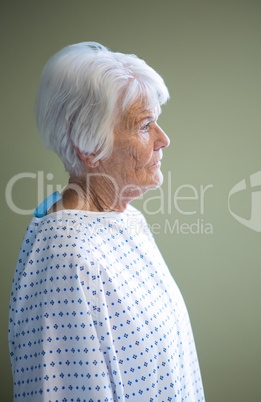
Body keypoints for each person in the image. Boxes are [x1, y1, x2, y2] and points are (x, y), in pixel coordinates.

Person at [8, 42, 205, 401]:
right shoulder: (67, 258)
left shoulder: (124, 217)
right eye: (145, 125)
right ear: (88, 146)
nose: (164, 139)